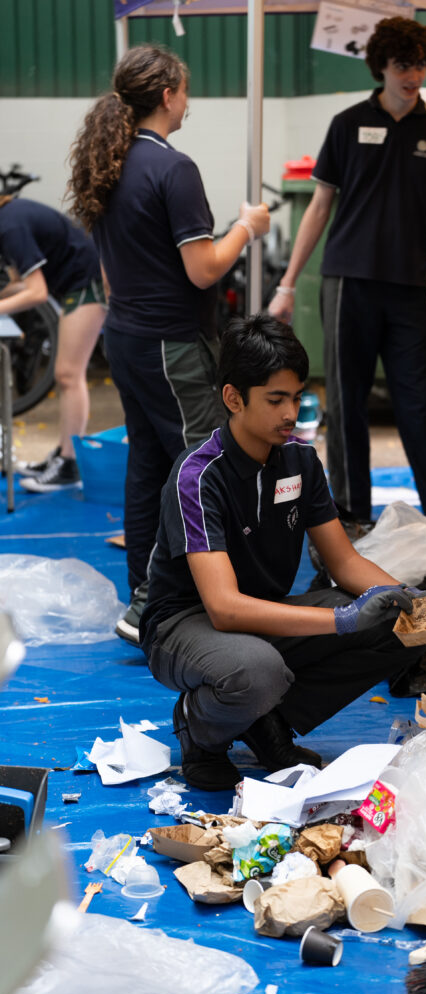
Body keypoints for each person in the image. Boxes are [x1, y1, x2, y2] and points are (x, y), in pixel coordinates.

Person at [139, 314, 426, 790]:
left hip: (262, 618)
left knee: (398, 626)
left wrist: (412, 601)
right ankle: (200, 726)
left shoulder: (299, 462)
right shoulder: (198, 477)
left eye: (297, 397)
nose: (291, 413)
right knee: (258, 670)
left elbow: (345, 562)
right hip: (186, 625)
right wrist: (343, 619)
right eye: (276, 400)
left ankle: (265, 722)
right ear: (234, 398)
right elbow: (225, 608)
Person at [67, 44, 269, 647]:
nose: (190, 101)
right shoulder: (172, 167)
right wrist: (246, 228)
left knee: (149, 466)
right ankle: (156, 603)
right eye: (186, 90)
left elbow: (110, 268)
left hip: (127, 337)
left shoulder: (110, 160)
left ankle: (147, 599)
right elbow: (203, 269)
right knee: (201, 467)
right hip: (170, 344)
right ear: (167, 95)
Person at [268, 16, 426, 528]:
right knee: (348, 408)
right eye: (401, 66)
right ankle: (349, 519)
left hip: (411, 288)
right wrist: (285, 287)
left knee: (420, 407)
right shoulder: (346, 124)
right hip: (349, 284)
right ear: (381, 67)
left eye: (420, 65)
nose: (412, 76)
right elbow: (319, 207)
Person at [0, 195, 106, 491]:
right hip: (80, 281)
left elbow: (36, 292)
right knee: (68, 375)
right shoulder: (8, 220)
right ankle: (63, 454)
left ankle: (69, 465)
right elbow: (20, 284)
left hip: (87, 283)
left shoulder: (9, 228)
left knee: (69, 375)